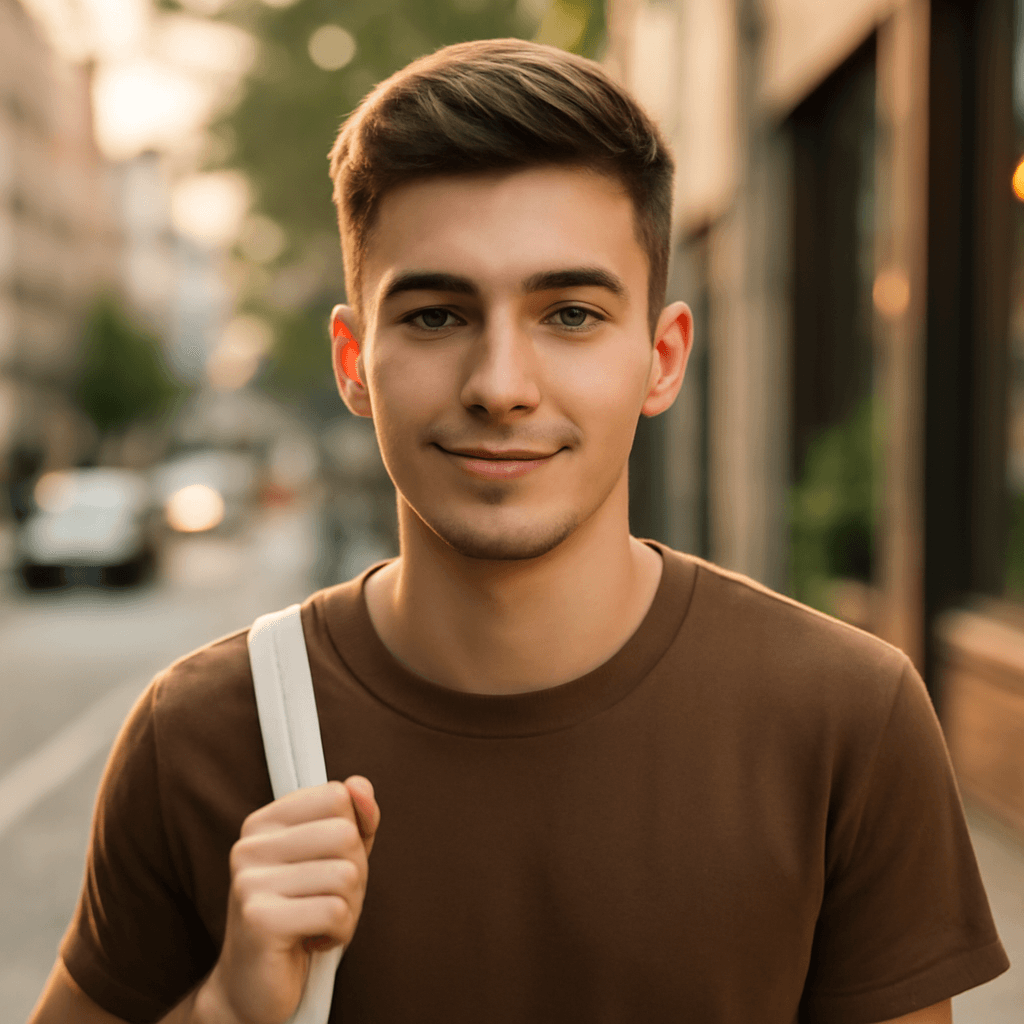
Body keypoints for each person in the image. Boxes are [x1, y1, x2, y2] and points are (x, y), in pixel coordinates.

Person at [30, 37, 1009, 1024]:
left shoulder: (843, 719)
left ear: (662, 357)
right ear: (352, 360)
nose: (500, 384)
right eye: (436, 316)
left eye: (571, 313)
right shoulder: (198, 737)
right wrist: (225, 1015)